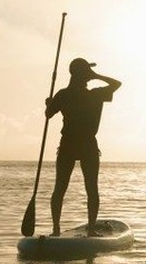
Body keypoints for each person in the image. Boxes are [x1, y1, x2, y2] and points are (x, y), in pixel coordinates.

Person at [45, 57, 121, 237]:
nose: (89, 76)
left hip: (72, 144)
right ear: (83, 74)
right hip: (83, 145)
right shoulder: (94, 95)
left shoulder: (64, 94)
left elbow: (48, 114)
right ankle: (87, 230)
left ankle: (57, 229)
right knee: (86, 188)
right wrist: (97, 76)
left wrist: (49, 104)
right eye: (87, 72)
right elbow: (116, 84)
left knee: (64, 187)